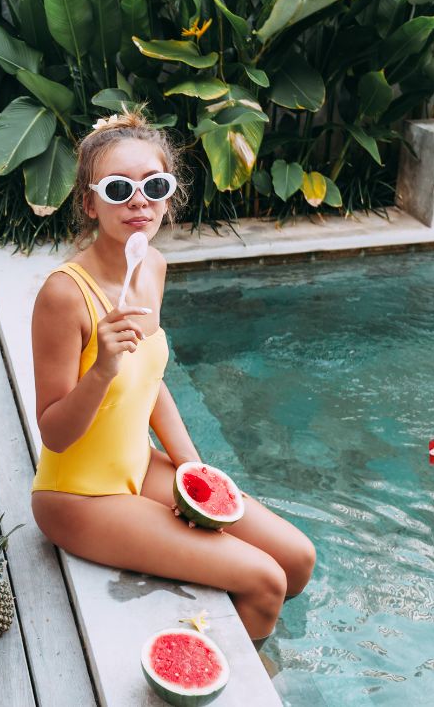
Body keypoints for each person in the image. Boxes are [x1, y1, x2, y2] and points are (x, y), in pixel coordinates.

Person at [30, 109, 316, 646]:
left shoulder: (152, 267)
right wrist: (102, 368)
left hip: (140, 468)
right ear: (89, 203)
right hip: (79, 496)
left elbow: (149, 379)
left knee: (297, 560)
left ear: (168, 196)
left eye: (153, 185)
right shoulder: (64, 295)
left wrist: (190, 464)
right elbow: (54, 433)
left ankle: (217, 627)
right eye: (118, 189)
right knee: (265, 581)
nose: (138, 201)